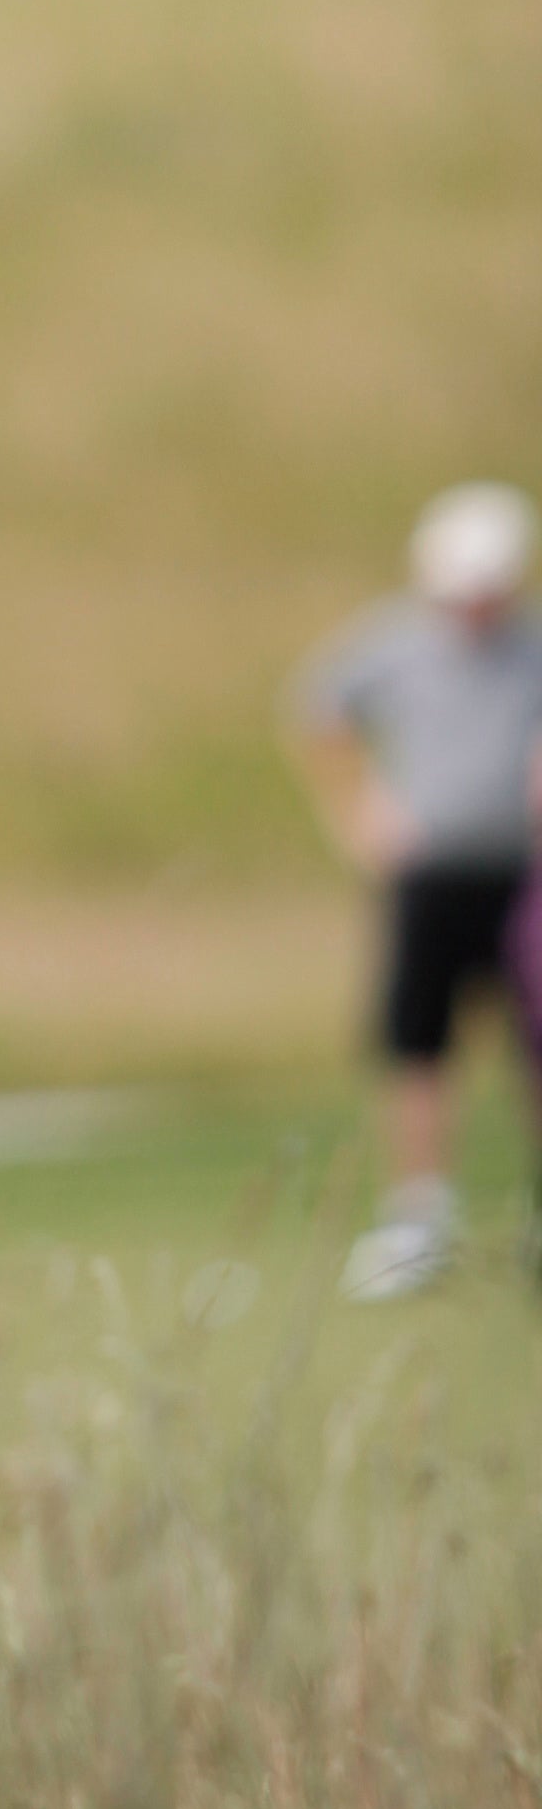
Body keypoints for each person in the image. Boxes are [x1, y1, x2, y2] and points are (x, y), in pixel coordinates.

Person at [287, 481, 542, 1300]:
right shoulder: (395, 644)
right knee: (418, 1041)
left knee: (533, 1041)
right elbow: (317, 709)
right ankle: (419, 1218)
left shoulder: (532, 648)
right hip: (429, 876)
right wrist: (363, 813)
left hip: (525, 876)